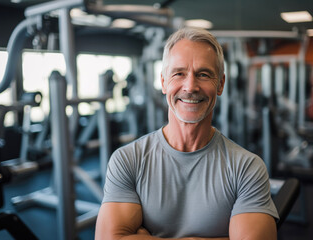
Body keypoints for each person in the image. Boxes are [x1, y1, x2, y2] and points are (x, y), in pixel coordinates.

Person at [95, 27, 278, 240]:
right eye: (179, 73)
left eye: (203, 74)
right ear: (163, 82)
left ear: (220, 84)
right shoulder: (128, 160)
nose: (190, 86)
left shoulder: (247, 168)